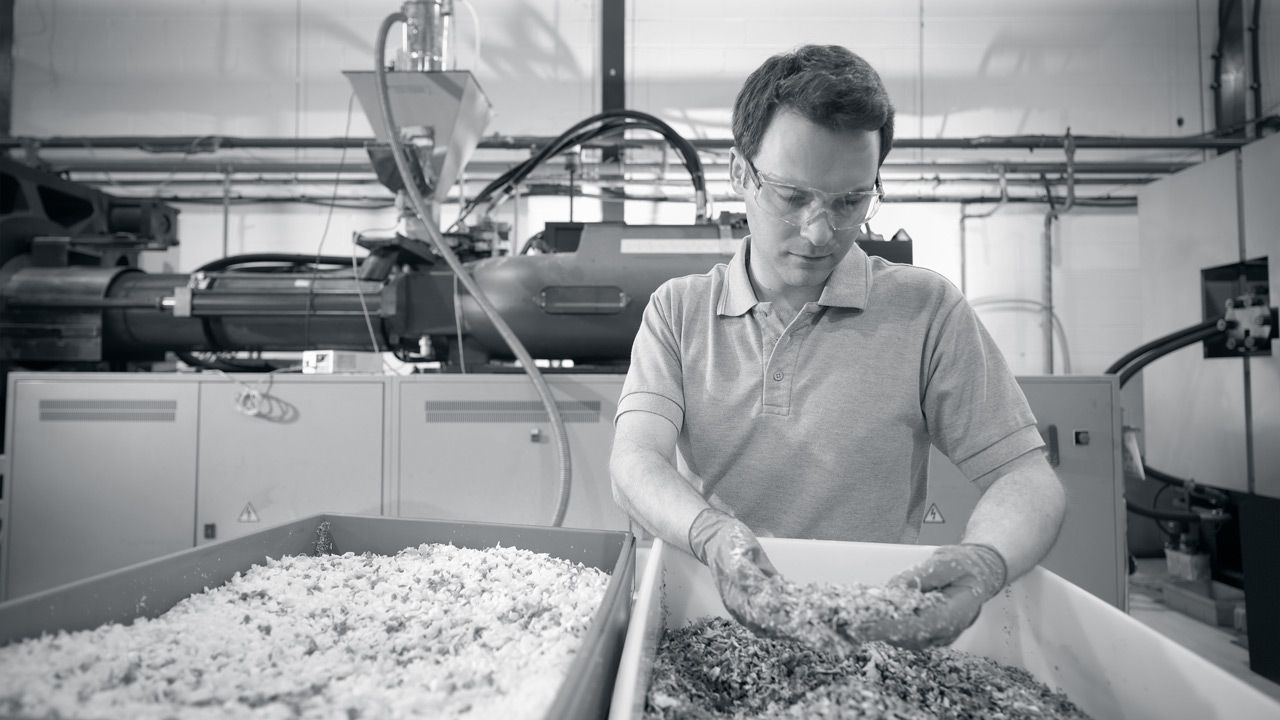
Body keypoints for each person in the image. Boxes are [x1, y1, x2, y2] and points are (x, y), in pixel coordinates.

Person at [609, 44, 1066, 649]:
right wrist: (715, 536)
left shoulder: (927, 311)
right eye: (793, 197)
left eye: (851, 201)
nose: (820, 231)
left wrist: (985, 561)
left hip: (874, 635)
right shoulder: (680, 310)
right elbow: (635, 462)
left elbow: (1028, 479)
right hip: (711, 620)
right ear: (739, 173)